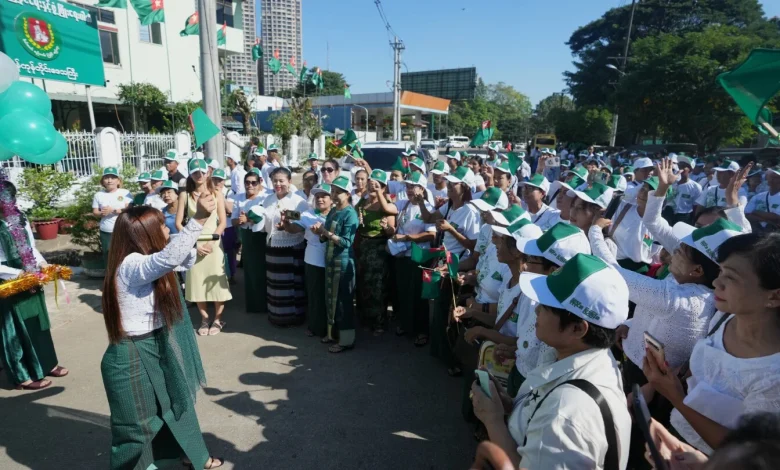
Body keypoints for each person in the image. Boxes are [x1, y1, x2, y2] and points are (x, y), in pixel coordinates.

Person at [471, 254, 632, 470]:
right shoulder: (583, 359)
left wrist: (492, 420)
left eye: (546, 307)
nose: (536, 309)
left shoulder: (565, 415)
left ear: (578, 328)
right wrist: (512, 407)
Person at [100, 201, 223, 470]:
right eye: (163, 228)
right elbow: (169, 258)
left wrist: (190, 242)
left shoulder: (146, 258)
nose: (168, 232)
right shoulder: (130, 264)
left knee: (177, 404)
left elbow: (181, 259)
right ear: (144, 235)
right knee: (136, 428)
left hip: (155, 345)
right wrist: (199, 219)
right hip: (130, 355)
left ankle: (193, 456)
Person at [644, 232, 780, 456]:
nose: (717, 282)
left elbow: (746, 452)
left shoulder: (773, 374)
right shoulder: (725, 317)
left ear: (774, 297)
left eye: (732, 278)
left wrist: (675, 396)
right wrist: (660, 383)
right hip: (678, 432)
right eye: (721, 271)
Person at [0, 181, 68, 391]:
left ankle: (47, 363)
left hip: (30, 271)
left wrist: (41, 263)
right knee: (15, 328)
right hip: (7, 278)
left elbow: (30, 246)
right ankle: (22, 375)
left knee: (38, 321)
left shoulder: (20, 217)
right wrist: (18, 274)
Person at [417, 166, 480, 376]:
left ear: (465, 188)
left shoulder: (470, 212)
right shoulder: (448, 206)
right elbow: (428, 218)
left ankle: (453, 357)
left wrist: (451, 229)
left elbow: (473, 246)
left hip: (454, 267)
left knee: (448, 312)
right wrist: (421, 201)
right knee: (436, 307)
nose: (450, 187)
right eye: (450, 183)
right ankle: (439, 352)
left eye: (455, 184)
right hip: (440, 263)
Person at [376, 171, 436, 345]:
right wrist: (379, 191)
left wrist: (408, 238)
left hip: (418, 257)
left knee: (418, 295)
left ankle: (422, 331)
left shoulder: (428, 209)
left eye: (413, 186)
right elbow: (387, 208)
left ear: (422, 189)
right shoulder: (404, 204)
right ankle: (406, 324)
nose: (409, 190)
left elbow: (431, 235)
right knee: (403, 292)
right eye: (407, 186)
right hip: (402, 256)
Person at [175, 159, 232, 336]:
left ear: (208, 172)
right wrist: (193, 244)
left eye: (202, 171)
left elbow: (222, 222)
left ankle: (217, 319)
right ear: (190, 174)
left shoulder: (217, 193)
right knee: (197, 282)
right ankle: (204, 319)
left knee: (217, 282)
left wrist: (211, 242)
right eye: (195, 172)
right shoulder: (185, 195)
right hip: (194, 244)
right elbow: (178, 223)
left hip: (214, 244)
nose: (199, 175)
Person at [311, 175, 359, 353]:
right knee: (330, 297)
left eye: (338, 192)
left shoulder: (350, 214)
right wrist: (320, 233)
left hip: (344, 264)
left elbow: (346, 242)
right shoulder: (333, 211)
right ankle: (332, 334)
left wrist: (325, 232)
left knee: (343, 302)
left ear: (347, 194)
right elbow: (327, 237)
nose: (334, 194)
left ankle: (346, 341)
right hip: (330, 261)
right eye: (333, 191)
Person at [283, 183, 332, 338]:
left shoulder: (337, 214)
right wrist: (285, 223)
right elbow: (292, 229)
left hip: (334, 259)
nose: (320, 199)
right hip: (314, 260)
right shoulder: (307, 214)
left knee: (331, 295)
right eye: (317, 197)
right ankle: (316, 327)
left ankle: (333, 328)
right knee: (315, 294)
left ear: (332, 199)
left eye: (324, 196)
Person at [262, 167, 309, 326]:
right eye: (275, 180)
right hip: (272, 246)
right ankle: (276, 315)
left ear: (289, 181)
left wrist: (287, 224)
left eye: (281, 180)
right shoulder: (268, 200)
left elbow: (302, 222)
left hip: (292, 246)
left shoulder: (299, 202)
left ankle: (294, 317)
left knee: (292, 283)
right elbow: (264, 222)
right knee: (275, 284)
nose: (278, 184)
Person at [355, 169, 396, 335]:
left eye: (377, 185)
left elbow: (391, 232)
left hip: (378, 248)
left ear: (384, 187)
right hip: (363, 247)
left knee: (377, 287)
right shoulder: (362, 203)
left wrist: (386, 227)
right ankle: (365, 319)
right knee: (363, 284)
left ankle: (379, 322)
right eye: (371, 184)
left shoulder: (387, 205)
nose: (373, 188)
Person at [232, 169, 272, 314]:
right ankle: (254, 305)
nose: (250, 185)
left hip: (262, 235)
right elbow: (234, 220)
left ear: (260, 182)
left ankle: (268, 302)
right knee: (250, 270)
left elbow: (268, 216)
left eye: (253, 182)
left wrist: (249, 219)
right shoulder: (239, 197)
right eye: (247, 182)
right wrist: (241, 220)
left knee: (264, 269)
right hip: (247, 236)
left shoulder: (266, 197)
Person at [93, 167, 131, 265]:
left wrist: (113, 210)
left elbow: (129, 210)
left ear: (118, 180)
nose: (110, 181)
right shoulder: (98, 195)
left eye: (113, 178)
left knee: (124, 255)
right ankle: (110, 278)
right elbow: (95, 212)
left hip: (123, 230)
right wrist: (102, 213)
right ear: (103, 181)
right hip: (106, 231)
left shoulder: (125, 193)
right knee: (108, 256)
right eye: (106, 178)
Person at [668, 156, 702, 225]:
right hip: (668, 214)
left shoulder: (696, 187)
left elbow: (696, 206)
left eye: (683, 166)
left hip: (684, 217)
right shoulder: (670, 182)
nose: (680, 169)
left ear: (690, 170)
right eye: (679, 166)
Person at [745, 165, 780, 231]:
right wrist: (765, 219)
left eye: (776, 178)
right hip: (757, 232)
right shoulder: (758, 196)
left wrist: (755, 211)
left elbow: (776, 217)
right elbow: (747, 214)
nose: (772, 180)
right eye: (771, 177)